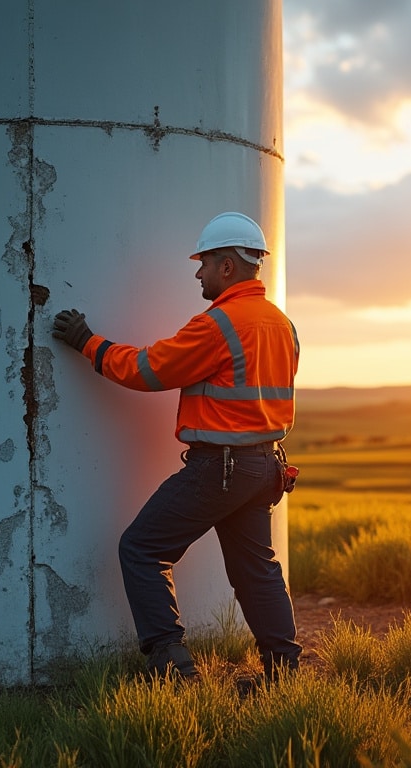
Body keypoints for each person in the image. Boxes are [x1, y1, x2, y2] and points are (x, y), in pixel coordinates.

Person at [51, 211, 302, 681]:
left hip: (220, 470)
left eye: (204, 262)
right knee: (257, 570)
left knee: (142, 549)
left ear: (227, 267)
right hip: (263, 467)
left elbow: (147, 370)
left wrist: (88, 342)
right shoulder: (282, 325)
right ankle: (283, 676)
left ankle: (172, 666)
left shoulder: (219, 324)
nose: (198, 272)